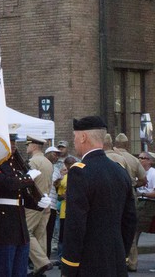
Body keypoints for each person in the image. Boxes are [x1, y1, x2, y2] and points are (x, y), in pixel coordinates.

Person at [61, 116, 136, 276]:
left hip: (90, 262)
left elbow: (76, 224)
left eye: (75, 137)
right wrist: (121, 253)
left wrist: (69, 264)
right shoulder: (119, 170)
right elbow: (130, 219)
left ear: (83, 137)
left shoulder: (80, 172)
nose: (74, 142)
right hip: (116, 260)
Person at [0, 134, 39, 277]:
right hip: (3, 224)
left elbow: (22, 193)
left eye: (14, 143)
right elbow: (8, 184)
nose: (13, 146)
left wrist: (38, 203)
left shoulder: (16, 164)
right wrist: (27, 178)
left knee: (20, 270)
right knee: (4, 270)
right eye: (10, 143)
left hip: (19, 224)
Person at [115, 132, 146, 271]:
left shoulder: (111, 156)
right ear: (127, 144)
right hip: (130, 194)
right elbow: (143, 179)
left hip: (114, 195)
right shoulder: (133, 160)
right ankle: (132, 262)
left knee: (114, 226)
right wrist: (134, 185)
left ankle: (117, 260)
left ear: (115, 144)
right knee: (130, 228)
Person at [24, 136, 53, 276]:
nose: (26, 147)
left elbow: (27, 183)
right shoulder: (48, 162)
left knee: (26, 231)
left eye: (28, 144)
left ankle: (42, 262)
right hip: (46, 201)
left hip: (34, 202)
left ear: (34, 146)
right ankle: (39, 267)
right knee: (40, 234)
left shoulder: (33, 162)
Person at [131, 151, 155, 272]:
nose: (140, 160)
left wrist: (143, 193)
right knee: (134, 231)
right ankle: (132, 261)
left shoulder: (153, 173)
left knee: (136, 230)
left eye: (143, 158)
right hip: (139, 202)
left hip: (149, 204)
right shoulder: (138, 173)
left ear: (150, 161)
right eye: (139, 157)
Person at [43, 146, 60, 261]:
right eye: (54, 154)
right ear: (48, 154)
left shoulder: (56, 169)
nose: (56, 156)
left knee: (48, 233)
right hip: (42, 205)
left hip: (52, 206)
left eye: (58, 154)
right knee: (40, 233)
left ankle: (46, 257)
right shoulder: (45, 167)